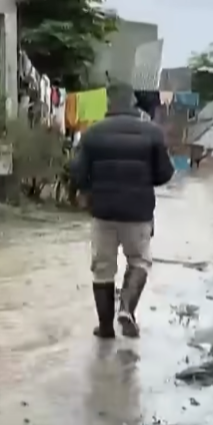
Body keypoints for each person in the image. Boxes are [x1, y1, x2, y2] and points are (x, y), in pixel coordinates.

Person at [70, 83, 175, 339]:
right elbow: (165, 173)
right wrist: (144, 180)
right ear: (133, 103)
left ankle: (105, 328)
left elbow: (77, 172)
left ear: (108, 103)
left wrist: (86, 192)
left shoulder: (92, 133)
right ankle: (126, 309)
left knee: (102, 268)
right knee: (139, 260)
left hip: (103, 211)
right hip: (138, 211)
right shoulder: (152, 132)